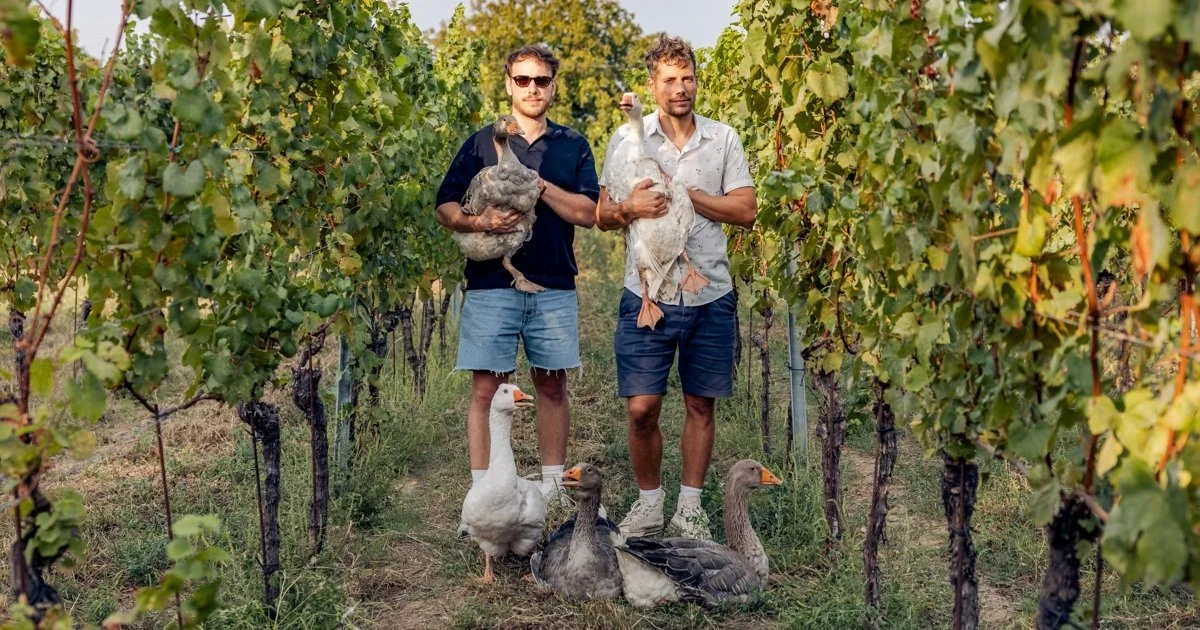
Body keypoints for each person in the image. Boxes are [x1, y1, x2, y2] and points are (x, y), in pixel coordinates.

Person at [595, 35, 757, 539]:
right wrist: (630, 209)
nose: (680, 88)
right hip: (647, 291)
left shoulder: (723, 139)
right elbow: (603, 213)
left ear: (696, 79)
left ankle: (690, 508)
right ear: (653, 85)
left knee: (699, 404)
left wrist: (685, 195)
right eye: (669, 80)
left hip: (709, 292)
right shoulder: (627, 139)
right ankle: (649, 503)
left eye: (687, 77)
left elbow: (745, 211)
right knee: (642, 409)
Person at [436, 45, 599, 505]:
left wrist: (533, 182)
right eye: (523, 80)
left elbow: (588, 213)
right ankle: (483, 497)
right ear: (509, 83)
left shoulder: (572, 145)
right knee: (486, 388)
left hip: (553, 284)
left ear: (553, 85)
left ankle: (550, 492)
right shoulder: (480, 142)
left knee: (551, 383)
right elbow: (445, 205)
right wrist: (479, 223)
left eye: (541, 80)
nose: (532, 88)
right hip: (491, 284)